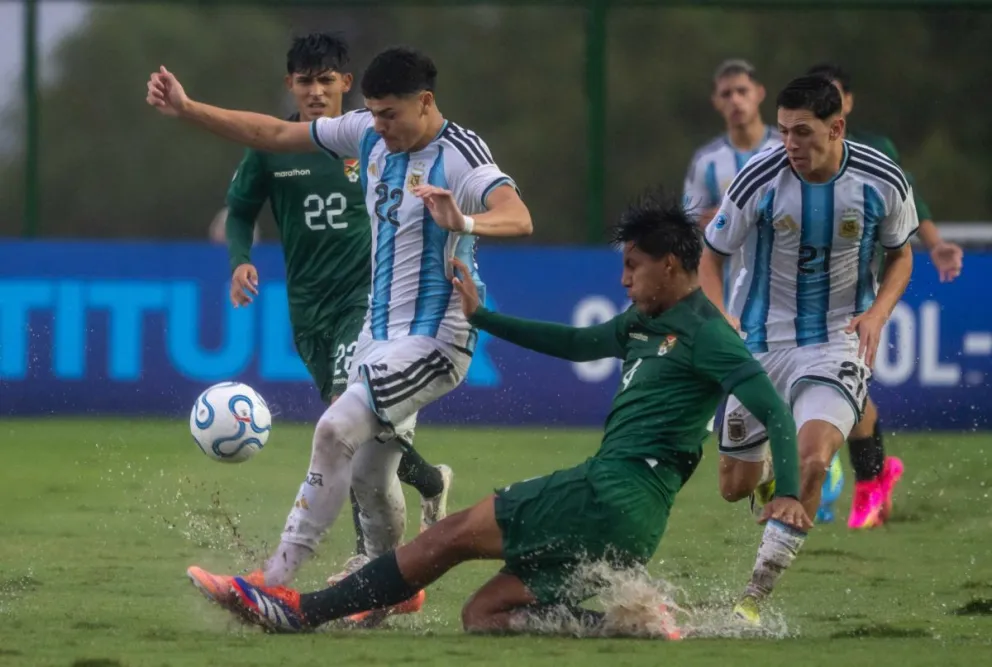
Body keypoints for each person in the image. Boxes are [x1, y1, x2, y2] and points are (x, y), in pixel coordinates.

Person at [215, 189, 809, 635]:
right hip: (630, 521)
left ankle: (300, 612)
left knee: (447, 536)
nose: (624, 279)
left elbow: (775, 412)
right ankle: (624, 625)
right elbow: (578, 344)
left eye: (634, 266)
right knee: (485, 613)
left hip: (614, 492)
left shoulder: (708, 334)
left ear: (672, 267)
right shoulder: (645, 321)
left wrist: (785, 492)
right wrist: (483, 319)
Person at [147, 45, 533, 621]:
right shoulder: (366, 133)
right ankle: (389, 590)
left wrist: (465, 220)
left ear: (425, 102)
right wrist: (188, 107)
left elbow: (520, 214)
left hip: (435, 340)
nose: (377, 126)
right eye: (372, 113)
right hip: (380, 335)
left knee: (334, 429)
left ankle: (272, 581)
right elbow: (274, 134)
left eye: (389, 115)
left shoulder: (460, 153)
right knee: (370, 476)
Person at [206, 34, 454, 610]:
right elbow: (240, 212)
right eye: (304, 82)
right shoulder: (273, 149)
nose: (315, 92)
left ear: (347, 84)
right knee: (362, 430)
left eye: (326, 81)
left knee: (343, 424)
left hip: (365, 302)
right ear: (290, 85)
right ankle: (426, 492)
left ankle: (368, 573)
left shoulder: (375, 139)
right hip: (308, 308)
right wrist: (240, 259)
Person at [700, 75, 918, 624]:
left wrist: (876, 314)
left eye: (803, 132)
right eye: (783, 131)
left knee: (815, 460)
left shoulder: (880, 179)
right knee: (734, 487)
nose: (790, 144)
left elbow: (901, 255)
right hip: (758, 343)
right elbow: (711, 255)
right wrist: (722, 315)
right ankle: (776, 471)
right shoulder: (760, 178)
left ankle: (752, 598)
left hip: (834, 342)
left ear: (836, 127)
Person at [805, 62, 964, 529]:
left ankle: (867, 480)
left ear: (848, 104)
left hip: (858, 291)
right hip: (802, 290)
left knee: (845, 387)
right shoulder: (794, 149)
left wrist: (934, 245)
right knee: (840, 388)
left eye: (833, 96)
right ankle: (869, 476)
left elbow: (909, 202)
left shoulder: (874, 152)